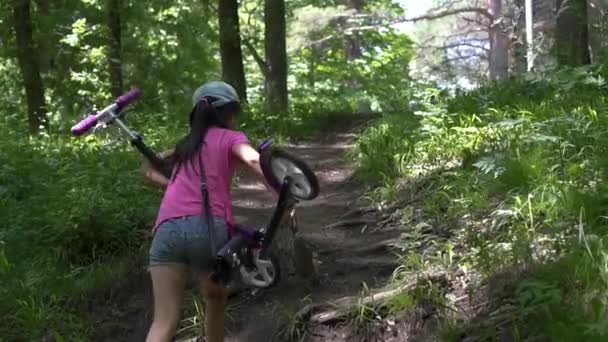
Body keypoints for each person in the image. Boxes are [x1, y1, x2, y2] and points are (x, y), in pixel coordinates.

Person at [141, 81, 274, 342]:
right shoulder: (230, 137)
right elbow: (253, 159)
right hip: (207, 229)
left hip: (166, 230)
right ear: (229, 113)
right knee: (215, 298)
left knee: (163, 321)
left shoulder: (184, 146)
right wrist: (281, 192)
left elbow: (147, 168)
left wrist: (173, 185)